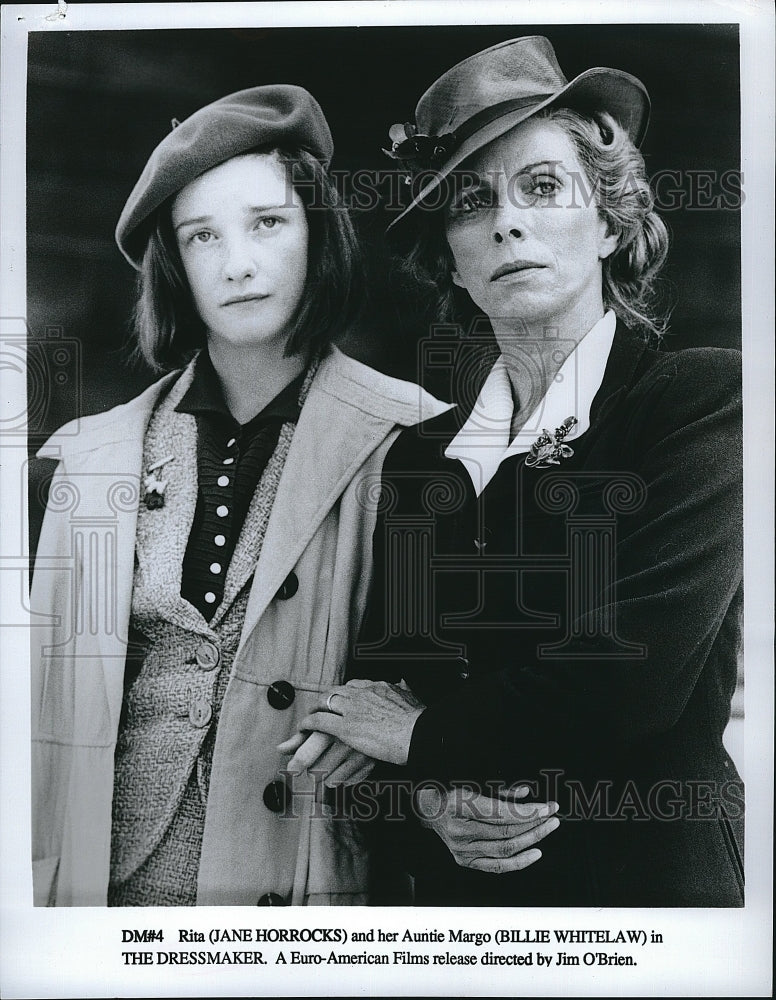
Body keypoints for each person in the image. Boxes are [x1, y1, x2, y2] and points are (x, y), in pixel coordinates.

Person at [30, 83, 559, 907]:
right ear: (175, 263)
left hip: (301, 888)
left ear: (319, 234)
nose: (237, 262)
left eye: (268, 223)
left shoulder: (420, 442)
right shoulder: (86, 459)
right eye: (202, 236)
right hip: (102, 896)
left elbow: (439, 693)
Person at [284, 36, 745, 906]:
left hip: (647, 909)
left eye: (543, 187)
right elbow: (382, 693)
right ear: (452, 258)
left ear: (611, 221)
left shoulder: (700, 400)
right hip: (463, 917)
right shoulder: (424, 457)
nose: (506, 221)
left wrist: (426, 742)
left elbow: (631, 679)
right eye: (469, 202)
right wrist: (428, 800)